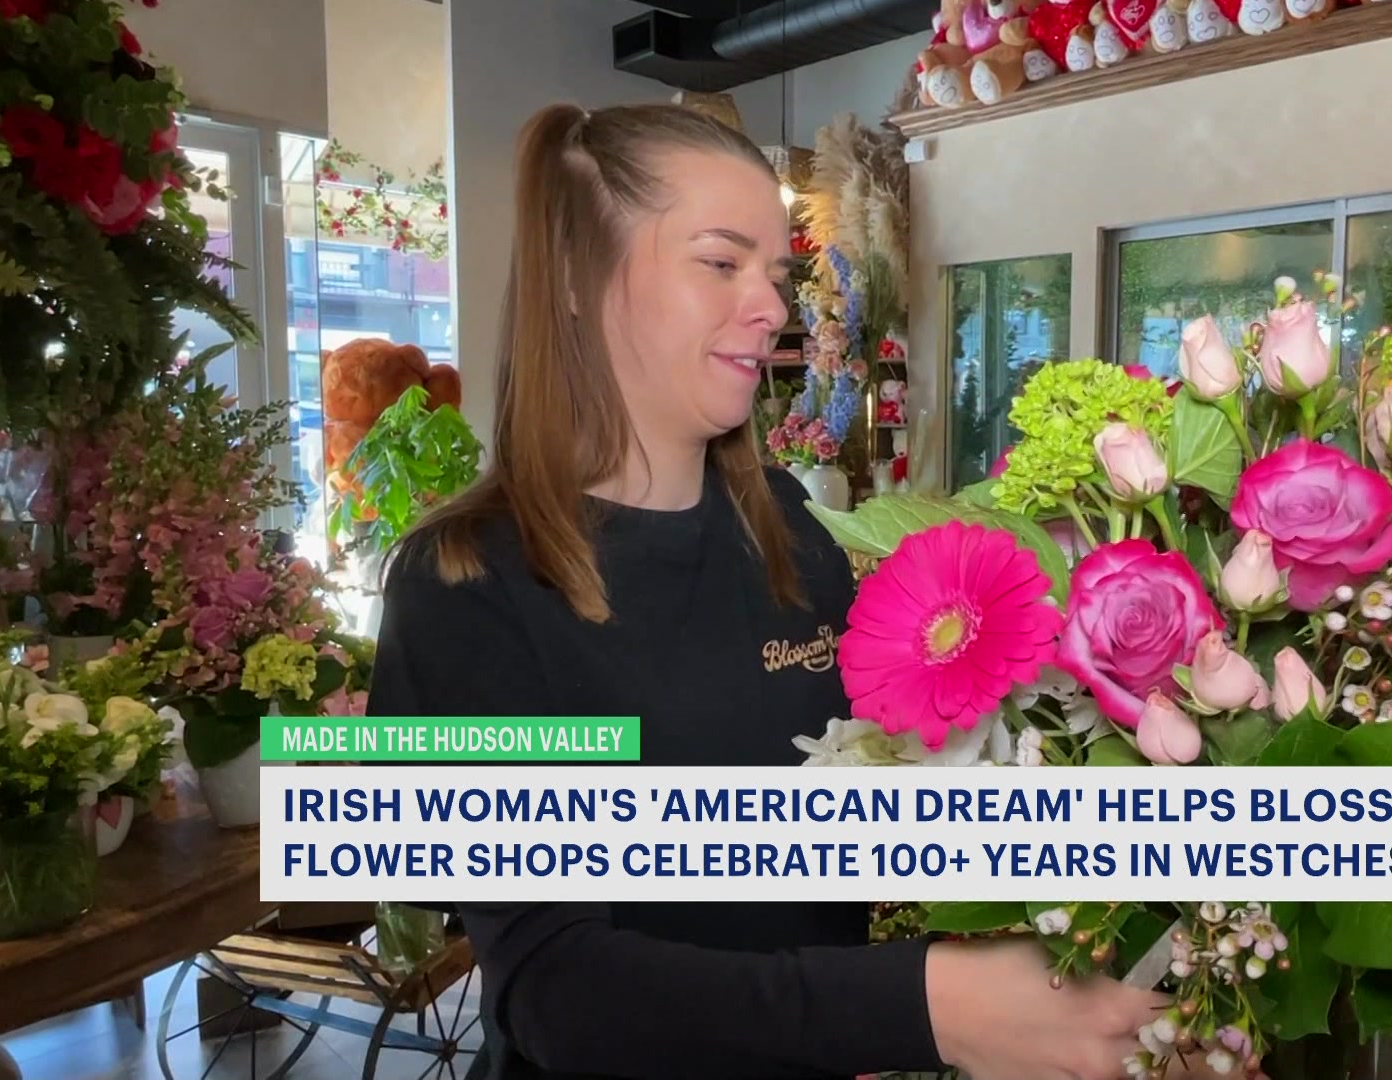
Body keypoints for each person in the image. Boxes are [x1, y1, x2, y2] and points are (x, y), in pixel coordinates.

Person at [365, 102, 1169, 1080]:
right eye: (720, 263)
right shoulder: (463, 586)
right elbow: (556, 990)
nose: (773, 308)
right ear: (577, 277)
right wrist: (925, 1006)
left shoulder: (787, 533)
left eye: (778, 275)